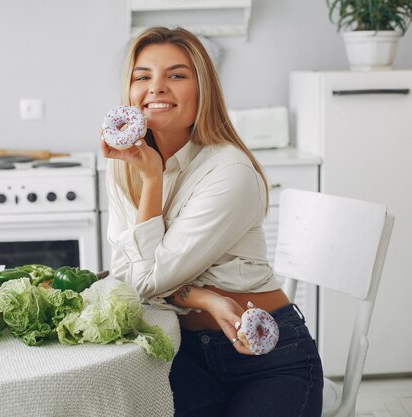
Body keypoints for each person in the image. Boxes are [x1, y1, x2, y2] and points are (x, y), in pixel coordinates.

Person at [100, 27, 323, 417]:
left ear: (202, 89)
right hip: (182, 355)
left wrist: (153, 180)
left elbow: (147, 282)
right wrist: (201, 296)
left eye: (176, 75)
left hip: (266, 359)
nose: (156, 88)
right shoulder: (124, 169)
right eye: (143, 76)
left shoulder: (229, 171)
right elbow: (126, 284)